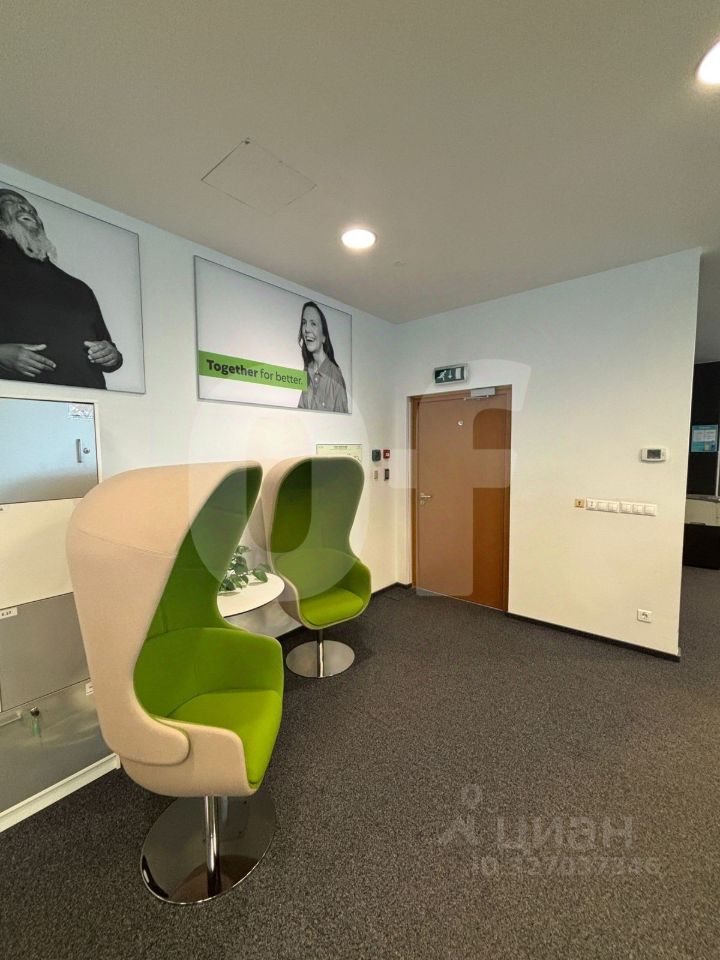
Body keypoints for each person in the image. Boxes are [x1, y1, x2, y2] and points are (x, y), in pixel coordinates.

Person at [0, 189, 123, 389]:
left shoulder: (79, 288)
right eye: (10, 202)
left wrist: (111, 355)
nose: (25, 208)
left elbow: (111, 354)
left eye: (32, 209)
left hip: (90, 402)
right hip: (19, 402)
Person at [297, 300, 348, 413]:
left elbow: (343, 420)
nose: (307, 329)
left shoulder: (335, 375)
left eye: (313, 324)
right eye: (304, 323)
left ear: (324, 337)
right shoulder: (307, 370)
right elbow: (301, 411)